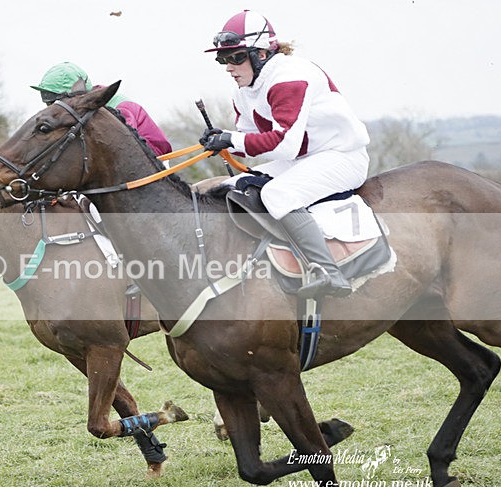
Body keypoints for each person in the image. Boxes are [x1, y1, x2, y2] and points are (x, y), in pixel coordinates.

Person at [200, 10, 370, 298]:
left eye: (236, 57)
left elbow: (284, 144)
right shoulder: (243, 90)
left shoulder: (288, 78)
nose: (229, 66)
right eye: (223, 59)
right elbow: (248, 136)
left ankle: (328, 272)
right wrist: (225, 140)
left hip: (342, 156)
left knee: (278, 195)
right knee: (230, 186)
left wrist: (233, 140)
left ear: (262, 54)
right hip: (304, 159)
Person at [31, 62, 172, 157]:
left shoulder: (121, 108)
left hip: (154, 160)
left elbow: (122, 150)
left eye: (57, 101)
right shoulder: (85, 108)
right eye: (49, 103)